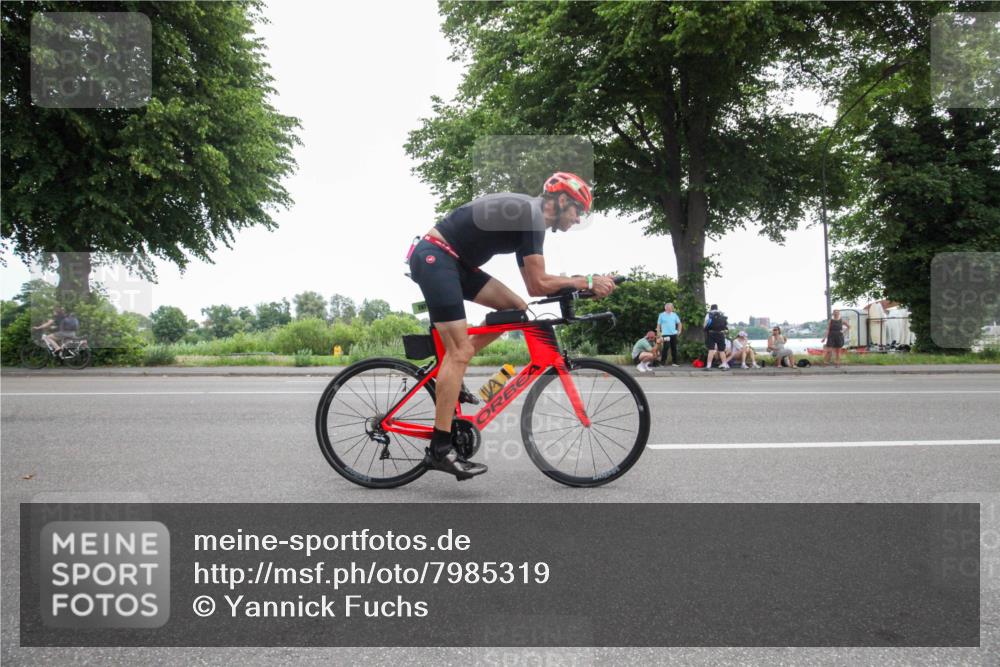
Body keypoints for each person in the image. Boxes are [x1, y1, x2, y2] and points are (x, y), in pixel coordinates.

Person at [408, 172, 616, 480]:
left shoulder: (530, 219)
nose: (577, 219)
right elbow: (538, 284)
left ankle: (454, 367)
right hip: (435, 258)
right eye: (577, 211)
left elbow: (535, 288)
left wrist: (581, 287)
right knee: (459, 351)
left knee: (515, 308)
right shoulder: (532, 216)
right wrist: (585, 281)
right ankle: (439, 449)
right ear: (561, 201)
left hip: (456, 264)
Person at [703, 304, 730, 370]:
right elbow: (725, 324)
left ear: (711, 308)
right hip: (721, 334)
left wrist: (705, 329)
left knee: (711, 350)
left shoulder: (709, 314)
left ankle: (708, 366)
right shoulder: (721, 314)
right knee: (721, 350)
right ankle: (724, 365)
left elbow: (705, 324)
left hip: (712, 333)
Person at [656, 302, 682, 366]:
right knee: (666, 348)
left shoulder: (674, 315)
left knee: (674, 348)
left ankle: (674, 362)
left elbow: (679, 323)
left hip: (673, 334)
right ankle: (662, 363)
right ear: (666, 308)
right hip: (665, 334)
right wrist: (659, 333)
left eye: (672, 307)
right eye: (669, 307)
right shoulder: (661, 315)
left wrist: (679, 331)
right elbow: (658, 325)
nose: (671, 308)